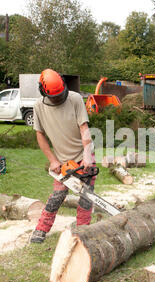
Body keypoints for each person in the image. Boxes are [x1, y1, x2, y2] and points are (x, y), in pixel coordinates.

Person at [30, 69, 96, 244]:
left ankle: (82, 232)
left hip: (83, 156)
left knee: (86, 199)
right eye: (55, 96)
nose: (59, 98)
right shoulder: (38, 106)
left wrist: (88, 156)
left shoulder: (74, 99)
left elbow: (84, 128)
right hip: (62, 161)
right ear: (44, 92)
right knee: (57, 196)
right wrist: (53, 160)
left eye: (60, 94)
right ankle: (41, 229)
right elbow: (40, 134)